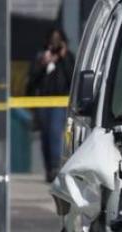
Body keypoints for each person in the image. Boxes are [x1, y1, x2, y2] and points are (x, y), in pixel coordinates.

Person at [27, 28, 75, 182]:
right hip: (43, 101)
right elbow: (32, 79)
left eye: (58, 40)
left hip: (59, 101)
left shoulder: (68, 57)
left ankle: (55, 167)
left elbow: (72, 78)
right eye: (52, 40)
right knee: (46, 136)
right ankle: (49, 169)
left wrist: (64, 57)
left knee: (55, 132)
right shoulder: (41, 57)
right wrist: (43, 64)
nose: (55, 44)